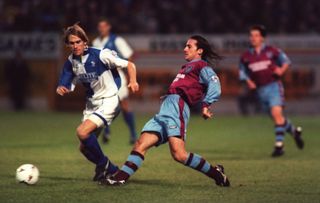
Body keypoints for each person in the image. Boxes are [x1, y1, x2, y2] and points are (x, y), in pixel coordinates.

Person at [102, 35, 230, 187]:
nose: (185, 49)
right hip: (166, 108)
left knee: (179, 154)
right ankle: (119, 178)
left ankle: (216, 174)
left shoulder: (202, 67)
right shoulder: (186, 67)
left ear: (200, 51)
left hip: (178, 107)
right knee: (140, 144)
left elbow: (215, 84)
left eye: (189, 46)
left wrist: (206, 104)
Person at [56, 23, 139, 181]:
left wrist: (133, 81)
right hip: (91, 105)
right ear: (68, 44)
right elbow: (65, 79)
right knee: (84, 148)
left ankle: (105, 165)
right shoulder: (71, 61)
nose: (75, 46)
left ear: (85, 41)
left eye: (78, 42)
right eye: (71, 43)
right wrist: (62, 87)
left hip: (109, 101)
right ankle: (109, 167)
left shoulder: (101, 54)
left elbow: (130, 64)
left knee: (82, 131)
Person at [239, 25, 304, 157]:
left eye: (256, 35)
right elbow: (242, 72)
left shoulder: (271, 51)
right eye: (251, 35)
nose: (253, 38)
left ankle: (279, 146)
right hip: (259, 90)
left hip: (274, 86)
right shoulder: (245, 56)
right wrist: (248, 81)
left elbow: (286, 61)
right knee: (277, 118)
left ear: (262, 38)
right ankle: (294, 132)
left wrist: (281, 70)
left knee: (276, 114)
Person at [92, 18, 137, 145]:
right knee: (102, 105)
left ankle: (133, 134)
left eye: (104, 26)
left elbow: (130, 56)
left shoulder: (117, 40)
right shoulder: (95, 42)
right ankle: (106, 132)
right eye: (99, 26)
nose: (102, 29)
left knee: (124, 104)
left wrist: (129, 74)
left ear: (109, 27)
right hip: (102, 78)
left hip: (117, 76)